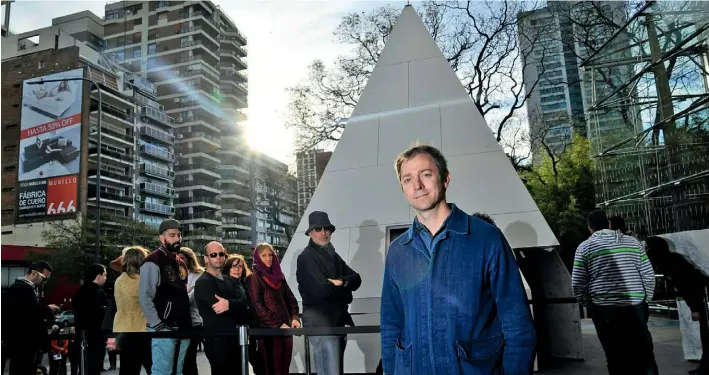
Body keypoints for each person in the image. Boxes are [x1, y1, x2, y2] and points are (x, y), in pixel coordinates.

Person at [380, 144, 536, 375]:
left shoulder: (486, 239)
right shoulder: (397, 250)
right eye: (407, 179)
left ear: (445, 179)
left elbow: (517, 322)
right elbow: (392, 324)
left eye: (426, 174)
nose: (417, 186)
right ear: (402, 188)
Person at [572, 210, 657, 375]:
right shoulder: (633, 243)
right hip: (635, 306)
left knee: (614, 356)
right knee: (645, 354)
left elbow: (578, 282)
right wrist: (646, 298)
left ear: (589, 228)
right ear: (609, 224)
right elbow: (648, 274)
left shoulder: (585, 248)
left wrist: (589, 303)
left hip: (605, 310)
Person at [297, 211, 362, 375]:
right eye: (318, 229)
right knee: (329, 371)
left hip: (335, 321)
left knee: (334, 370)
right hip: (321, 321)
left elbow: (357, 279)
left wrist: (341, 282)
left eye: (327, 229)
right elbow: (322, 290)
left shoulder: (332, 254)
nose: (324, 233)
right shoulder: (306, 257)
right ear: (310, 232)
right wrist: (347, 292)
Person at [646, 236, 709, 375]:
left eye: (647, 247)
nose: (645, 250)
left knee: (706, 334)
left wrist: (695, 308)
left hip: (703, 297)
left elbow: (688, 286)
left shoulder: (670, 263)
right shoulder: (671, 260)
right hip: (702, 295)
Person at [139, 219, 191, 375]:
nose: (177, 239)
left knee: (177, 371)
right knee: (162, 372)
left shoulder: (179, 262)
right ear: (162, 238)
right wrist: (158, 326)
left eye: (179, 235)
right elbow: (145, 297)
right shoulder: (152, 262)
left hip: (182, 327)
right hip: (164, 327)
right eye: (172, 235)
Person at [195, 242, 250, 375]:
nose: (218, 257)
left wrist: (229, 304)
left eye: (221, 254)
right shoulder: (203, 282)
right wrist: (236, 304)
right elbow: (219, 309)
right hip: (217, 341)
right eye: (213, 255)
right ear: (206, 259)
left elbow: (246, 304)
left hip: (236, 339)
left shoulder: (229, 280)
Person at [248, 243, 300, 375]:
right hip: (268, 332)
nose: (268, 258)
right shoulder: (254, 278)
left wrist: (294, 318)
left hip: (285, 330)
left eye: (271, 255)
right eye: (264, 255)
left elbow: (291, 300)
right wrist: (279, 324)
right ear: (257, 258)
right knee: (271, 368)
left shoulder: (279, 277)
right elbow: (258, 307)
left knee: (284, 367)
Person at [2, 261, 59, 375]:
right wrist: (47, 309)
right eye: (44, 277)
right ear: (34, 273)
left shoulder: (26, 288)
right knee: (22, 368)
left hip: (25, 341)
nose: (44, 281)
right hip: (23, 341)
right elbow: (27, 313)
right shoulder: (20, 289)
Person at [113, 246, 152, 375]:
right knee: (154, 368)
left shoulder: (119, 280)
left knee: (127, 369)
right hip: (143, 330)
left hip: (123, 330)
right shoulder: (144, 281)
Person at [73, 264, 108, 375]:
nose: (106, 278)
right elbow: (101, 314)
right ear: (98, 276)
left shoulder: (79, 292)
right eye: (105, 275)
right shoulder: (98, 292)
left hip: (82, 336)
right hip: (95, 336)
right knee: (94, 367)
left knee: (84, 368)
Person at [178, 247, 204, 375]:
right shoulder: (174, 274)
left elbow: (189, 299)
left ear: (189, 259)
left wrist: (181, 294)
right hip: (177, 323)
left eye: (182, 258)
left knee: (189, 360)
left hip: (194, 322)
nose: (179, 260)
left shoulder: (198, 275)